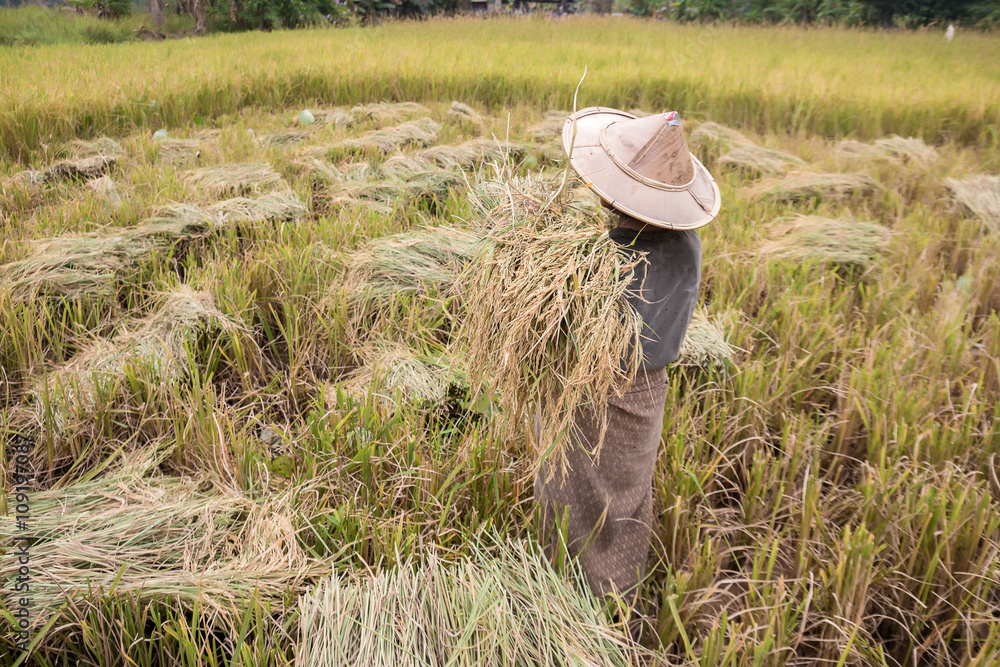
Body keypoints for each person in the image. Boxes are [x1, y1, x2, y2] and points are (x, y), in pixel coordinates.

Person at [534, 108, 722, 629]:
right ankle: (617, 605)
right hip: (649, 394)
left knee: (576, 495)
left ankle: (574, 612)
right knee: (626, 498)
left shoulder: (608, 263)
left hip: (596, 393)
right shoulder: (687, 245)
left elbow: (562, 330)